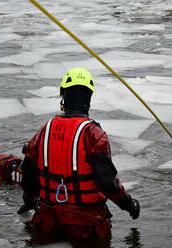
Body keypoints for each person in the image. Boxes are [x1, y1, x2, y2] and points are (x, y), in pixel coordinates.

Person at [18, 68, 140, 243]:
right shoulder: (94, 134)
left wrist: (29, 201)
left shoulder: (45, 129)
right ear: (88, 98)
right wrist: (129, 205)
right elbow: (107, 182)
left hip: (47, 223)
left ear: (64, 96)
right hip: (86, 227)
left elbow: (28, 172)